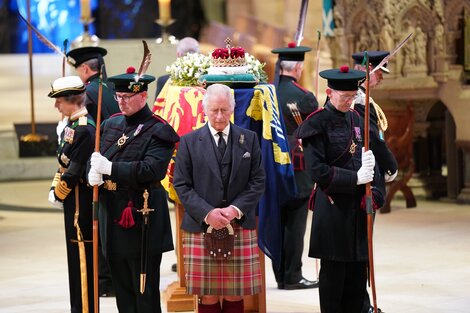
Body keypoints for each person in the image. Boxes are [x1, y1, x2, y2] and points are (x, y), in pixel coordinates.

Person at [87, 66, 179, 313]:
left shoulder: (159, 130)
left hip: (141, 219)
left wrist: (111, 168)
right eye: (118, 97)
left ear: (143, 96)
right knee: (122, 289)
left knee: (144, 291)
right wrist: (92, 172)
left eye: (127, 97)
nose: (121, 102)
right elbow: (96, 157)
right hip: (112, 217)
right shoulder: (110, 124)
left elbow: (151, 170)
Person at [295, 66, 386, 313]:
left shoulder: (357, 118)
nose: (349, 101)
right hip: (333, 209)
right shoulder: (316, 124)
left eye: (352, 96)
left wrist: (377, 191)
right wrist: (354, 178)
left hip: (358, 209)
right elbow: (318, 171)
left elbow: (372, 160)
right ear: (329, 92)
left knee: (358, 273)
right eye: (344, 97)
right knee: (335, 276)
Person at [173, 83, 265, 313]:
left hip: (239, 223)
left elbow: (258, 181)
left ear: (233, 109)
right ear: (205, 110)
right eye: (214, 110)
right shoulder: (189, 141)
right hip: (202, 225)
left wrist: (235, 209)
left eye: (224, 110)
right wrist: (207, 213)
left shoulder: (249, 139)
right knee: (209, 295)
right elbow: (182, 185)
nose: (220, 116)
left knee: (235, 293)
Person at [66, 45, 120, 297]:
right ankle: (109, 278)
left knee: (95, 223)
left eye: (78, 69)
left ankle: (105, 280)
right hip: (114, 161)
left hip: (96, 164)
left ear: (85, 69)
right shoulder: (109, 87)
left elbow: (85, 129)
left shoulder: (88, 91)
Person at [352, 51, 398, 313]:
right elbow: (374, 139)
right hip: (364, 179)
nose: (381, 77)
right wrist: (391, 166)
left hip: (368, 176)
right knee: (361, 245)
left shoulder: (362, 98)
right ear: (366, 70)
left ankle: (361, 301)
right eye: (379, 71)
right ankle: (361, 303)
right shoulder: (359, 102)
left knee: (363, 243)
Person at [270, 43, 319, 290]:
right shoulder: (304, 97)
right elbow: (316, 134)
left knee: (277, 222)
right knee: (295, 224)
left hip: (271, 168)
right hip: (297, 169)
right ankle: (293, 275)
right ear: (299, 67)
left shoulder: (266, 93)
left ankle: (280, 273)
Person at [47, 75, 96, 313]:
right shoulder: (72, 125)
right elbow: (64, 164)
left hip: (80, 204)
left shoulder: (84, 129)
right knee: (74, 262)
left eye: (59, 101)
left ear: (72, 100)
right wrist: (54, 186)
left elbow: (74, 170)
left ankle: (84, 309)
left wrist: (59, 192)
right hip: (72, 201)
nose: (56, 106)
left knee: (82, 261)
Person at [66, 46, 121, 122]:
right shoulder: (114, 85)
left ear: (85, 68)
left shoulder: (85, 92)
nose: (78, 75)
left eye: (78, 71)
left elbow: (84, 127)